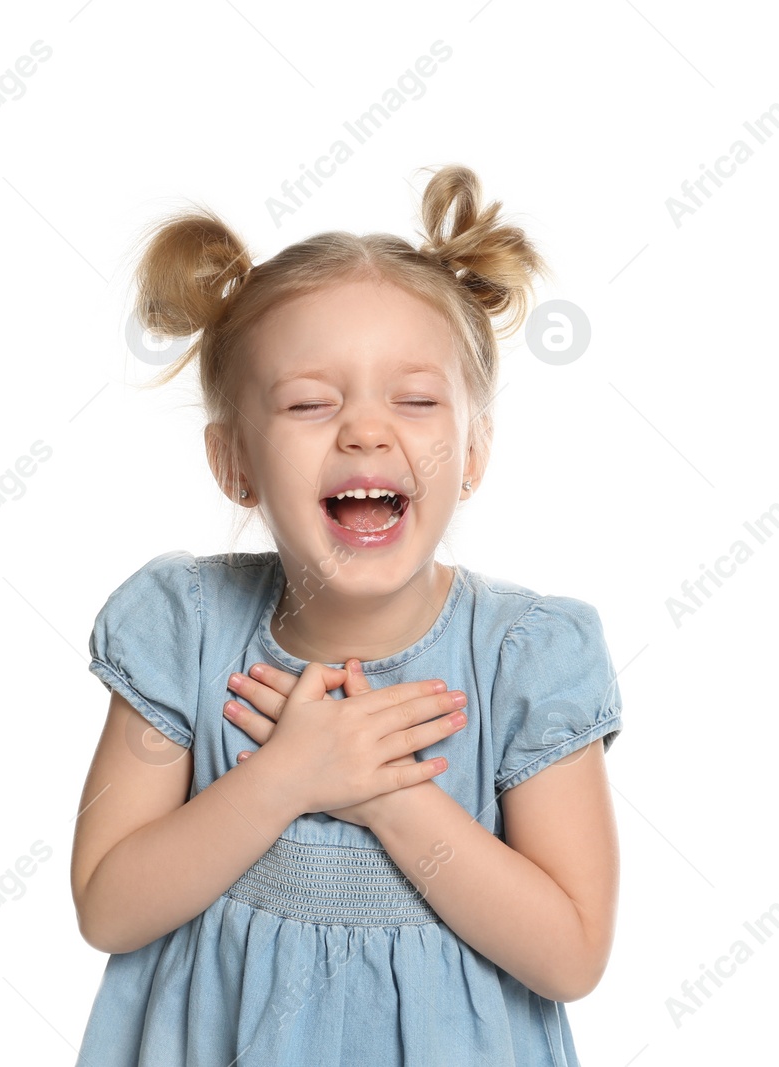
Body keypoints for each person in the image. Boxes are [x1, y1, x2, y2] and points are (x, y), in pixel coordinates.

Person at [69, 163, 623, 1066]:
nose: (366, 430)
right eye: (309, 403)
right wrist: (284, 776)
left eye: (413, 399)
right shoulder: (184, 630)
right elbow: (108, 903)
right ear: (234, 460)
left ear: (474, 448)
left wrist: (387, 794)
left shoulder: (526, 655)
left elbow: (570, 952)